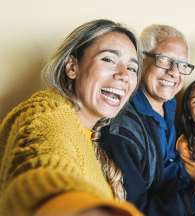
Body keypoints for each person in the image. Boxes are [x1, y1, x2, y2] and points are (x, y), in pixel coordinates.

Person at [0, 19, 142, 216]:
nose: (124, 75)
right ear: (72, 67)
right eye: (108, 59)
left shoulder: (89, 134)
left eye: (132, 68)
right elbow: (42, 164)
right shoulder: (46, 112)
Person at [101, 25, 195, 216]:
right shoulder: (123, 130)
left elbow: (172, 162)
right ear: (141, 60)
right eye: (164, 60)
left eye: (182, 65)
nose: (174, 72)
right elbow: (134, 210)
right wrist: (194, 199)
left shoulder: (169, 104)